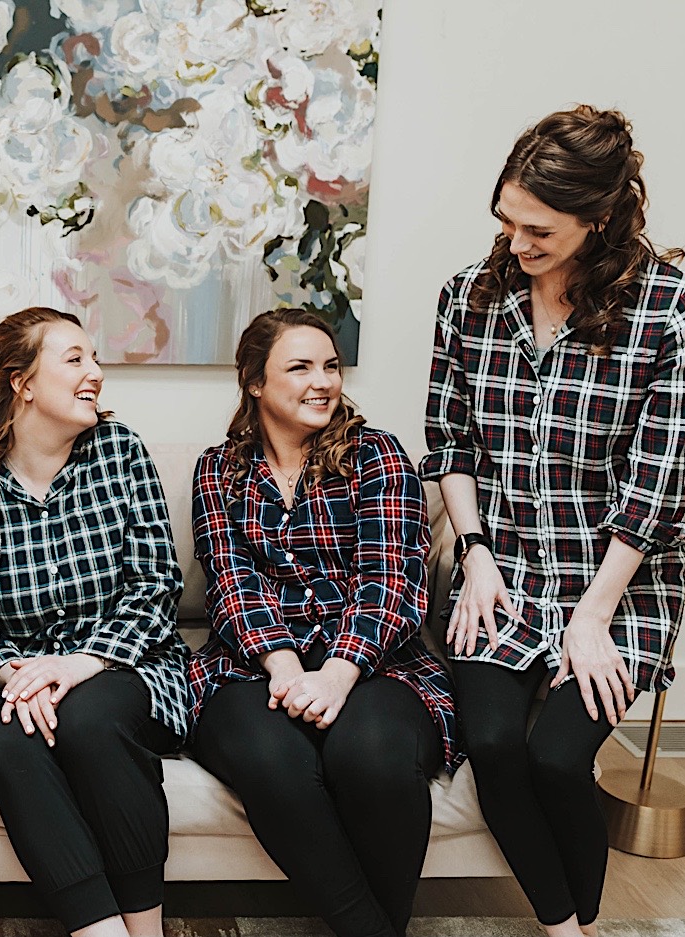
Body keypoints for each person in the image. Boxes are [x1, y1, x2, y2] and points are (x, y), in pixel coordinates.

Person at [423, 105, 685, 937]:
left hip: (615, 584)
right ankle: (566, 929)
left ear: (603, 217)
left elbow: (658, 481)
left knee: (555, 756)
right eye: (507, 221)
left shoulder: (673, 308)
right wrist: (475, 554)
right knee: (496, 746)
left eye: (539, 228)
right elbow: (451, 443)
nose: (516, 244)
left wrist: (593, 617)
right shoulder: (469, 299)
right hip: (503, 571)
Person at [189, 309, 460, 937]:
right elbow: (230, 581)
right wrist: (284, 668)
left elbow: (393, 577)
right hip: (252, 667)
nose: (324, 382)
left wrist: (337, 673)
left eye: (331, 366)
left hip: (375, 663)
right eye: (300, 367)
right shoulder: (219, 469)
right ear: (254, 382)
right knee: (269, 759)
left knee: (373, 756)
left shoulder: (378, 456)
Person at [0, 307, 189, 937]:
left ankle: (146, 930)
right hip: (15, 675)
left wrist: (80, 664)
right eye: (75, 360)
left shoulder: (120, 452)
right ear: (23, 382)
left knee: (89, 721)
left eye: (95, 359)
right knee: (7, 738)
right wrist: (13, 672)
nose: (95, 373)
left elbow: (156, 584)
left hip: (124, 663)